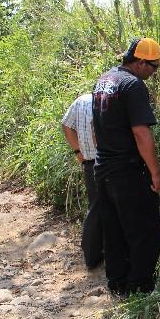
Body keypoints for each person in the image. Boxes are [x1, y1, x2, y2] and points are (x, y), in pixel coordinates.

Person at [92, 37, 160, 295]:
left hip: (103, 168)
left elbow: (95, 126)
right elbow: (141, 133)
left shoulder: (104, 80)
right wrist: (156, 173)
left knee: (113, 230)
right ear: (141, 62)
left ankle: (118, 284)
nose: (153, 73)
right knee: (146, 232)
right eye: (153, 67)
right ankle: (140, 288)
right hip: (128, 171)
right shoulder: (133, 85)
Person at [61, 93, 104, 269]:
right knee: (104, 208)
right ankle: (97, 256)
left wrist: (77, 151)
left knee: (95, 207)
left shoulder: (82, 100)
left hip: (90, 163)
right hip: (107, 163)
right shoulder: (110, 101)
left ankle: (92, 256)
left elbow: (66, 125)